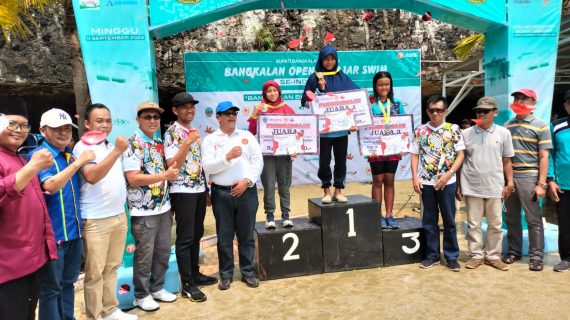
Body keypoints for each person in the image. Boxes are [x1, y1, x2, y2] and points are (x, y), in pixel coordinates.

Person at [27, 108, 96, 320]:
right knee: (51, 289)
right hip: (52, 237)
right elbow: (50, 185)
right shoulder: (38, 156)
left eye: (67, 128)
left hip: (73, 234)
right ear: (42, 130)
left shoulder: (69, 154)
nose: (63, 133)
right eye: (57, 129)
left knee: (68, 284)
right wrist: (79, 162)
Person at [73, 103, 136, 320]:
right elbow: (92, 176)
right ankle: (94, 315)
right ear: (87, 123)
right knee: (94, 272)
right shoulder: (83, 148)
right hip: (95, 219)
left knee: (112, 267)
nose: (105, 124)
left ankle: (109, 309)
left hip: (118, 215)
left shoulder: (109, 146)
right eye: (99, 120)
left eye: (108, 120)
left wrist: (115, 149)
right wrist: (118, 150)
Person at [0, 97, 57, 320]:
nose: (19, 130)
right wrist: (33, 166)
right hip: (8, 265)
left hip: (31, 260)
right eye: (12, 124)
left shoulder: (19, 158)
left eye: (24, 125)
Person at [123, 101, 180, 311]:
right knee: (145, 255)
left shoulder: (157, 143)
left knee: (163, 251)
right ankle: (140, 294)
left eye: (156, 117)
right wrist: (164, 175)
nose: (153, 121)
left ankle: (157, 288)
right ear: (138, 120)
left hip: (163, 207)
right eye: (147, 117)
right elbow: (133, 178)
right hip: (143, 210)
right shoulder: (133, 144)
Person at [202, 101, 263, 291]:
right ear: (218, 117)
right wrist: (226, 157)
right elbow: (207, 167)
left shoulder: (247, 136)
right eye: (226, 113)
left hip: (247, 191)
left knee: (246, 236)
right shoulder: (210, 140)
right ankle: (226, 274)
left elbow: (257, 160)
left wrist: (247, 181)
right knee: (224, 237)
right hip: (221, 193)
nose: (231, 116)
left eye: (234, 113)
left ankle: (247, 272)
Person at [164, 92, 217, 303]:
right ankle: (187, 285)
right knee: (185, 238)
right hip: (181, 191)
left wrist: (205, 190)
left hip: (197, 190)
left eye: (192, 106)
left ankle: (195, 274)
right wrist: (187, 142)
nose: (190, 110)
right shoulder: (172, 133)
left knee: (197, 233)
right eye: (184, 107)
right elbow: (172, 164)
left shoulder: (192, 131)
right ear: (175, 111)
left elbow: (198, 165)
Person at [456, 96, 514, 271]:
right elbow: (460, 160)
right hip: (471, 184)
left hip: (495, 185)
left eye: (486, 111)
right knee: (473, 223)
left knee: (495, 223)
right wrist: (458, 184)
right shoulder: (466, 133)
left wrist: (510, 182)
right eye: (479, 111)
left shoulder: (504, 133)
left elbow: (507, 160)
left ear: (495, 112)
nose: (482, 113)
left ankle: (493, 256)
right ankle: (476, 255)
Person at [411, 95, 465, 272]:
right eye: (432, 110)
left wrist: (449, 174)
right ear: (427, 111)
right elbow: (414, 155)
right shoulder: (420, 131)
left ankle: (451, 257)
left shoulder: (454, 129)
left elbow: (461, 155)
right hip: (426, 183)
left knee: (449, 220)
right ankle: (432, 256)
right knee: (429, 220)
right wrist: (415, 177)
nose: (435, 113)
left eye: (439, 110)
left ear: (445, 111)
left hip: (447, 183)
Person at [301, 45, 358, 204]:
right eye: (326, 58)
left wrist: (357, 117)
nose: (329, 62)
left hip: (341, 130)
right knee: (324, 161)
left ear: (336, 59)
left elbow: (355, 97)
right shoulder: (314, 78)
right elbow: (304, 101)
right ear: (321, 60)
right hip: (323, 130)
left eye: (332, 58)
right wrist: (319, 92)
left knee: (341, 161)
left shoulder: (342, 77)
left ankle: (338, 190)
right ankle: (326, 190)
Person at [503, 88, 552, 272]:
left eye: (524, 99)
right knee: (512, 217)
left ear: (533, 103)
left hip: (530, 177)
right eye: (517, 98)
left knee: (533, 219)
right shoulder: (507, 125)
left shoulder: (541, 126)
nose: (519, 101)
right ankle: (514, 252)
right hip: (510, 178)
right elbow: (505, 157)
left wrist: (541, 184)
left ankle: (536, 256)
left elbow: (544, 157)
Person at [248, 80, 296, 229]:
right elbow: (252, 131)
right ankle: (270, 216)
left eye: (274, 90)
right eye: (269, 91)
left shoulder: (287, 108)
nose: (272, 93)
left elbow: (296, 131)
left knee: (284, 185)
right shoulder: (260, 109)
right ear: (264, 94)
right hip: (267, 154)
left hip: (284, 155)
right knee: (268, 185)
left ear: (279, 92)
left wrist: (295, 148)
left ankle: (286, 216)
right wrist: (255, 115)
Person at [368, 71, 405, 229]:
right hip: (375, 147)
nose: (384, 87)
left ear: (390, 85)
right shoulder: (369, 103)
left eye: (387, 84)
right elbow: (364, 126)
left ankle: (389, 215)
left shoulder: (397, 103)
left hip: (393, 148)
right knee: (377, 181)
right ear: (375, 86)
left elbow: (403, 125)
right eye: (380, 84)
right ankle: (377, 216)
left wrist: (403, 145)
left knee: (389, 180)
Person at [547, 90, 570, 272]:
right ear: (565, 105)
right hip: (563, 184)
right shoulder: (556, 126)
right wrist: (550, 180)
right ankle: (566, 258)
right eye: (569, 102)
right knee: (565, 223)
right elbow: (550, 155)